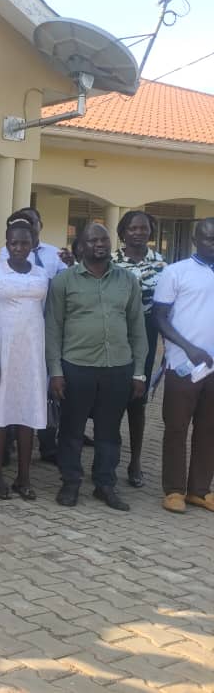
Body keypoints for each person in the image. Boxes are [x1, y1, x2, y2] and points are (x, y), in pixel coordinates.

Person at [46, 223, 147, 511]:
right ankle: (70, 482)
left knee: (109, 431)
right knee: (71, 430)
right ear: (81, 246)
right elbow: (53, 329)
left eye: (103, 239)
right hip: (76, 366)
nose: (99, 244)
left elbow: (137, 329)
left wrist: (139, 371)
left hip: (118, 367)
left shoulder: (127, 280)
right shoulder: (64, 281)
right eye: (92, 240)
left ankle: (105, 484)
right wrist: (56, 371)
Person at [0, 217, 50, 500]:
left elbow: (42, 313)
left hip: (31, 354)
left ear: (32, 244)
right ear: (6, 244)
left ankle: (23, 478)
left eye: (24, 243)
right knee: (0, 413)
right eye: (13, 243)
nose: (19, 248)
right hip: (2, 352)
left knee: (28, 413)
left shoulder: (42, 275)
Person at [0, 206, 73, 466]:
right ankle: (7, 443)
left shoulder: (54, 254)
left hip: (45, 327)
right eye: (22, 222)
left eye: (32, 222)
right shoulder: (6, 252)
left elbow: (64, 284)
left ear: (40, 225)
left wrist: (71, 264)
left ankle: (48, 445)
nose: (28, 226)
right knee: (12, 386)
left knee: (45, 386)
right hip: (16, 330)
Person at [153, 218, 214, 514]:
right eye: (208, 238)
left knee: (209, 428)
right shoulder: (176, 272)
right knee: (177, 427)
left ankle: (199, 491)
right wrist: (189, 348)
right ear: (194, 240)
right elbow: (159, 317)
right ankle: (174, 490)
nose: (213, 244)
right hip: (184, 365)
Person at [111, 210, 166, 488]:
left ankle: (135, 462)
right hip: (115, 334)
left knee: (137, 399)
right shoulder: (111, 262)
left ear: (150, 232)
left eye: (143, 228)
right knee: (111, 401)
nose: (138, 232)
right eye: (132, 228)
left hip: (146, 333)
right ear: (123, 232)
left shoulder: (161, 264)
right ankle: (108, 461)